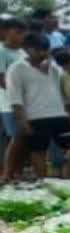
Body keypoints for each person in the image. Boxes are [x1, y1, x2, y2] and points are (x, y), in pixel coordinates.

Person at [7, 33, 70, 178]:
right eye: (39, 50)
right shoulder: (16, 68)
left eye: (45, 49)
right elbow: (15, 98)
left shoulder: (54, 69)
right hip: (35, 117)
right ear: (27, 49)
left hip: (59, 115)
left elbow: (62, 93)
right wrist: (23, 121)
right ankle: (43, 182)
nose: (43, 53)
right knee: (38, 152)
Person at [0, 18, 28, 166]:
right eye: (17, 32)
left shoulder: (22, 52)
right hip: (9, 103)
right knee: (15, 138)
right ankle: (9, 172)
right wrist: (18, 95)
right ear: (5, 32)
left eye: (23, 33)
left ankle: (15, 170)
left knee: (21, 138)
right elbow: (2, 80)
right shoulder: (1, 51)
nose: (21, 36)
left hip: (24, 102)